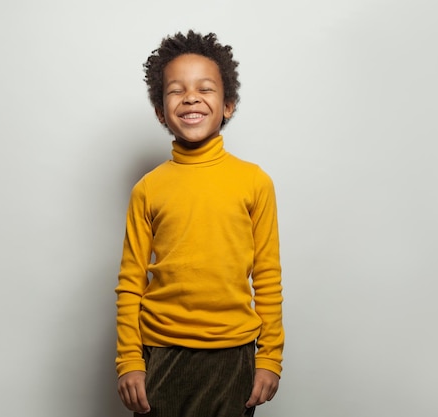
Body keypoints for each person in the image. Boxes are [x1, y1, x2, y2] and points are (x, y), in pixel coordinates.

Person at [115, 30, 284, 417]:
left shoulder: (254, 182)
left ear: (227, 105)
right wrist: (130, 361)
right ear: (161, 111)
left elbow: (268, 275)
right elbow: (130, 282)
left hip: (234, 355)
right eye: (176, 90)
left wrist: (270, 357)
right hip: (162, 353)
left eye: (204, 88)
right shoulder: (148, 190)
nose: (190, 97)